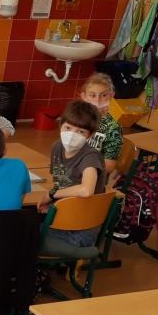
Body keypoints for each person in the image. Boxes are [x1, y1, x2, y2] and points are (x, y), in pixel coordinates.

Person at [41, 99, 107, 248]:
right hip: (63, 215)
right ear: (60, 125)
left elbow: (86, 190)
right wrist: (52, 203)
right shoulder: (57, 147)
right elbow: (61, 182)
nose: (72, 135)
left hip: (80, 230)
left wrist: (52, 195)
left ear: (90, 135)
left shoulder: (90, 156)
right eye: (68, 128)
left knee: (24, 233)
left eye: (80, 131)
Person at [80, 72, 123, 180]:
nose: (97, 100)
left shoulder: (113, 128)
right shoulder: (77, 119)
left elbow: (109, 166)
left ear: (111, 96)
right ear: (84, 96)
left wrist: (81, 170)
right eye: (92, 95)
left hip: (93, 179)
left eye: (103, 95)